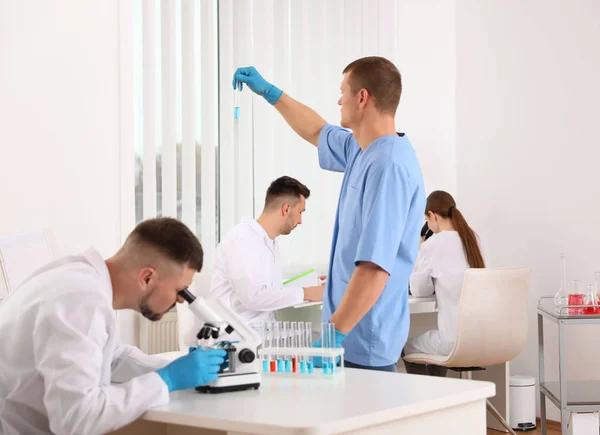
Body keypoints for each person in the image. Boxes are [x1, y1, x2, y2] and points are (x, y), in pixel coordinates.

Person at [233, 56, 425, 372]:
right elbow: (317, 131)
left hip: (364, 339)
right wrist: (269, 92)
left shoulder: (388, 166)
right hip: (350, 335)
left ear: (362, 98)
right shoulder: (361, 150)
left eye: (343, 92)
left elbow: (376, 269)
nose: (338, 100)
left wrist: (332, 336)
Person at [0, 218, 226, 435]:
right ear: (147, 278)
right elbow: (76, 419)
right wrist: (166, 380)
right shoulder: (81, 301)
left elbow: (111, 358)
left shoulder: (81, 279)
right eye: (180, 290)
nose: (179, 300)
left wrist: (174, 367)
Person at [209, 176, 324, 335]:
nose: (300, 220)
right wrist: (307, 293)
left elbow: (269, 290)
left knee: (315, 335)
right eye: (300, 212)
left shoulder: (268, 242)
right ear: (286, 209)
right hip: (235, 339)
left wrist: (314, 284)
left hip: (260, 333)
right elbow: (254, 297)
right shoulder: (241, 239)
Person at [403, 191, 486, 376]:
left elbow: (419, 291)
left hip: (453, 342)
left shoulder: (432, 244)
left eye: (427, 220)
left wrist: (421, 246)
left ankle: (430, 401)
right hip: (484, 339)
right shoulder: (474, 240)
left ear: (433, 216)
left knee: (407, 346)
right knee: (434, 343)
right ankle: (440, 396)